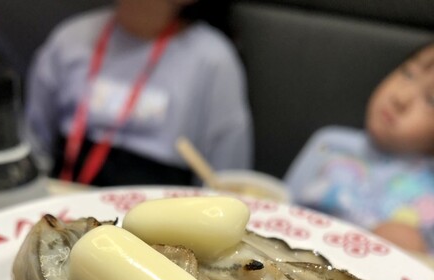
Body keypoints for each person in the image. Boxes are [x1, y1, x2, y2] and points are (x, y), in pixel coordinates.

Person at [25, 0, 253, 188]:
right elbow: (33, 145)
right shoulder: (70, 39)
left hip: (160, 215)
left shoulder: (214, 61)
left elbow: (226, 178)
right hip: (64, 201)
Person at [284, 42, 434, 254]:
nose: (400, 98)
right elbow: (283, 204)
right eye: (408, 73)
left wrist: (412, 249)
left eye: (431, 99)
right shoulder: (330, 143)